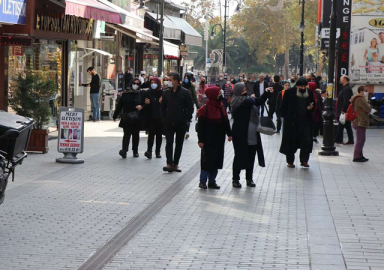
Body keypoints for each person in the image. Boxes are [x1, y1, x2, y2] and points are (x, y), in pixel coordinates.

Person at [231, 83, 270, 188]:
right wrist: (252, 98)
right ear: (238, 90)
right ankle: (235, 179)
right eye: (243, 89)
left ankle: (249, 178)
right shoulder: (236, 100)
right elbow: (249, 101)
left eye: (245, 89)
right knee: (239, 156)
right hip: (240, 135)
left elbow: (258, 101)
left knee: (251, 157)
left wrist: (266, 93)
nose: (245, 91)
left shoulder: (248, 99)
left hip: (252, 135)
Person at [197, 86, 232, 189]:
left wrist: (229, 134)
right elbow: (201, 126)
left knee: (216, 161)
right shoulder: (205, 109)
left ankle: (212, 181)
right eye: (218, 94)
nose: (220, 96)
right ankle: (203, 181)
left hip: (219, 139)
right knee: (206, 161)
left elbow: (226, 122)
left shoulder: (221, 107)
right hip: (208, 140)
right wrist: (200, 140)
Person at [161, 72, 194, 173]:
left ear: (176, 81)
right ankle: (169, 163)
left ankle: (175, 164)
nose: (168, 82)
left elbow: (190, 107)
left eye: (170, 80)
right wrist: (163, 119)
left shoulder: (185, 92)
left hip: (181, 122)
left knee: (179, 143)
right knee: (169, 142)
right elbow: (162, 107)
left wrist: (186, 119)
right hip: (169, 122)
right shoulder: (166, 92)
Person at [279, 77, 315, 168]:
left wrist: (311, 108)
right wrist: (287, 117)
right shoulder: (289, 93)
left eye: (304, 86)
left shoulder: (309, 93)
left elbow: (313, 104)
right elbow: (282, 107)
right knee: (291, 143)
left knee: (306, 142)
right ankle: (290, 161)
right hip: (292, 124)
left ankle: (304, 161)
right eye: (301, 87)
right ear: (297, 86)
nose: (303, 88)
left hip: (306, 123)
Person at [113, 78, 146, 158]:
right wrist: (115, 115)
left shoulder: (141, 94)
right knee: (126, 135)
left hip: (137, 118)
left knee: (135, 135)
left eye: (137, 84)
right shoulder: (126, 93)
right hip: (127, 117)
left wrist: (142, 106)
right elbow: (120, 105)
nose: (135, 85)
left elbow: (146, 104)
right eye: (134, 83)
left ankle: (135, 151)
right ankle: (124, 150)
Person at [144, 77, 163, 159]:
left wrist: (161, 102)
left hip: (159, 117)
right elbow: (145, 104)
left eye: (154, 82)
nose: (153, 84)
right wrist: (146, 103)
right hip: (151, 117)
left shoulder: (162, 92)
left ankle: (157, 151)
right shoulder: (148, 92)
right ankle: (149, 151)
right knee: (151, 134)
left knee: (159, 135)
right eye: (151, 83)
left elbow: (165, 105)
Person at [351, 86, 372, 162]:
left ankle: (360, 155)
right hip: (360, 121)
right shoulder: (360, 99)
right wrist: (369, 106)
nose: (366, 92)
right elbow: (368, 109)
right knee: (361, 140)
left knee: (361, 139)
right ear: (361, 91)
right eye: (365, 91)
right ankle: (357, 156)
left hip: (357, 120)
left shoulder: (357, 98)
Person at [335, 75, 354, 145]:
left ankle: (336, 140)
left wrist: (343, 110)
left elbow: (346, 101)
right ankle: (351, 140)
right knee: (347, 126)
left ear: (345, 80)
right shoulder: (345, 88)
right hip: (344, 110)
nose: (340, 81)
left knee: (341, 125)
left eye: (341, 79)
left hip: (344, 111)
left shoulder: (346, 89)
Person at [182, 73, 199, 138]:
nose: (186, 79)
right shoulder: (181, 85)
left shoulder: (191, 86)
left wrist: (197, 106)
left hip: (189, 104)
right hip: (182, 104)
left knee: (188, 118)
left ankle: (187, 131)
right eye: (185, 78)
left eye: (187, 78)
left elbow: (194, 96)